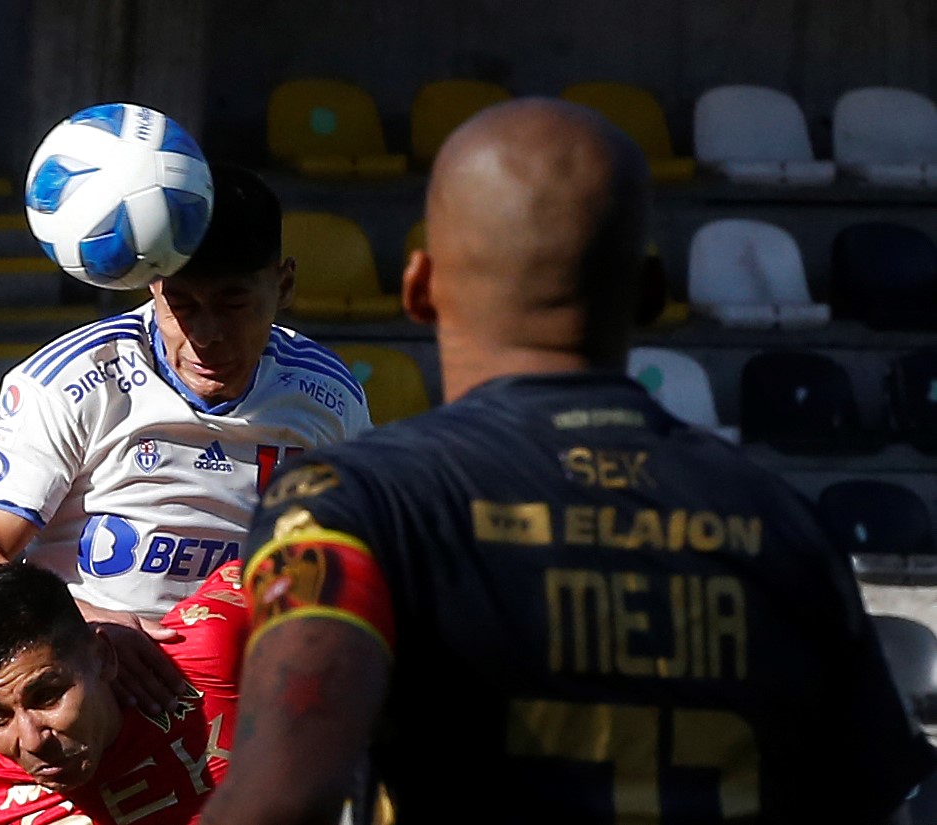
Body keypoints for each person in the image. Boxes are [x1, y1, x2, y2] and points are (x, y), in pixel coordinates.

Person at [202, 98, 937, 824]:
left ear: (417, 287)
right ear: (650, 294)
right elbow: (875, 801)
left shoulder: (347, 505)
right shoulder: (783, 522)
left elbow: (284, 800)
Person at [0, 161, 371, 717]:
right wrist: (88, 624)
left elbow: (357, 560)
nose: (206, 335)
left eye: (234, 304)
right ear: (153, 288)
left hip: (251, 714)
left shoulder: (329, 394)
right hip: (91, 712)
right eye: (182, 306)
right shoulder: (72, 381)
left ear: (283, 284)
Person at [0, 558, 248, 825]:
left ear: (103, 657)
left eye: (47, 697)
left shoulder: (205, 657)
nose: (32, 741)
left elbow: (288, 550)